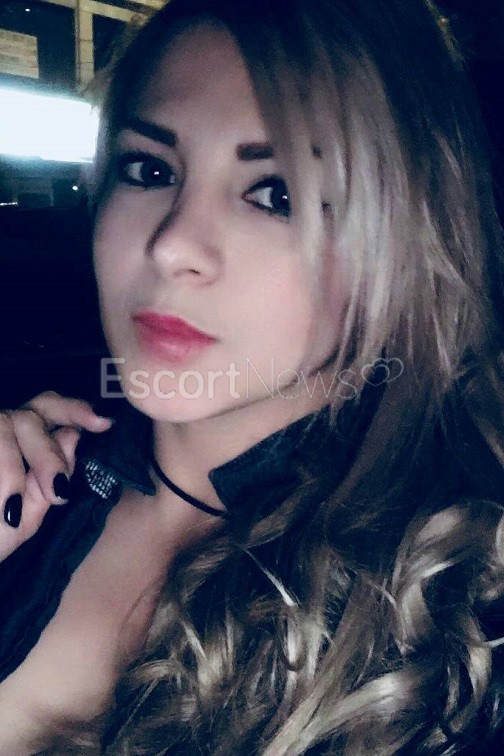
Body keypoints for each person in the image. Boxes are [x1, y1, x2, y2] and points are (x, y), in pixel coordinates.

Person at [1, 0, 504, 752]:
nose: (173, 246)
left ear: (403, 245)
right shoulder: (42, 483)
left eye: (277, 195)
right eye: (150, 169)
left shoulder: (456, 617)